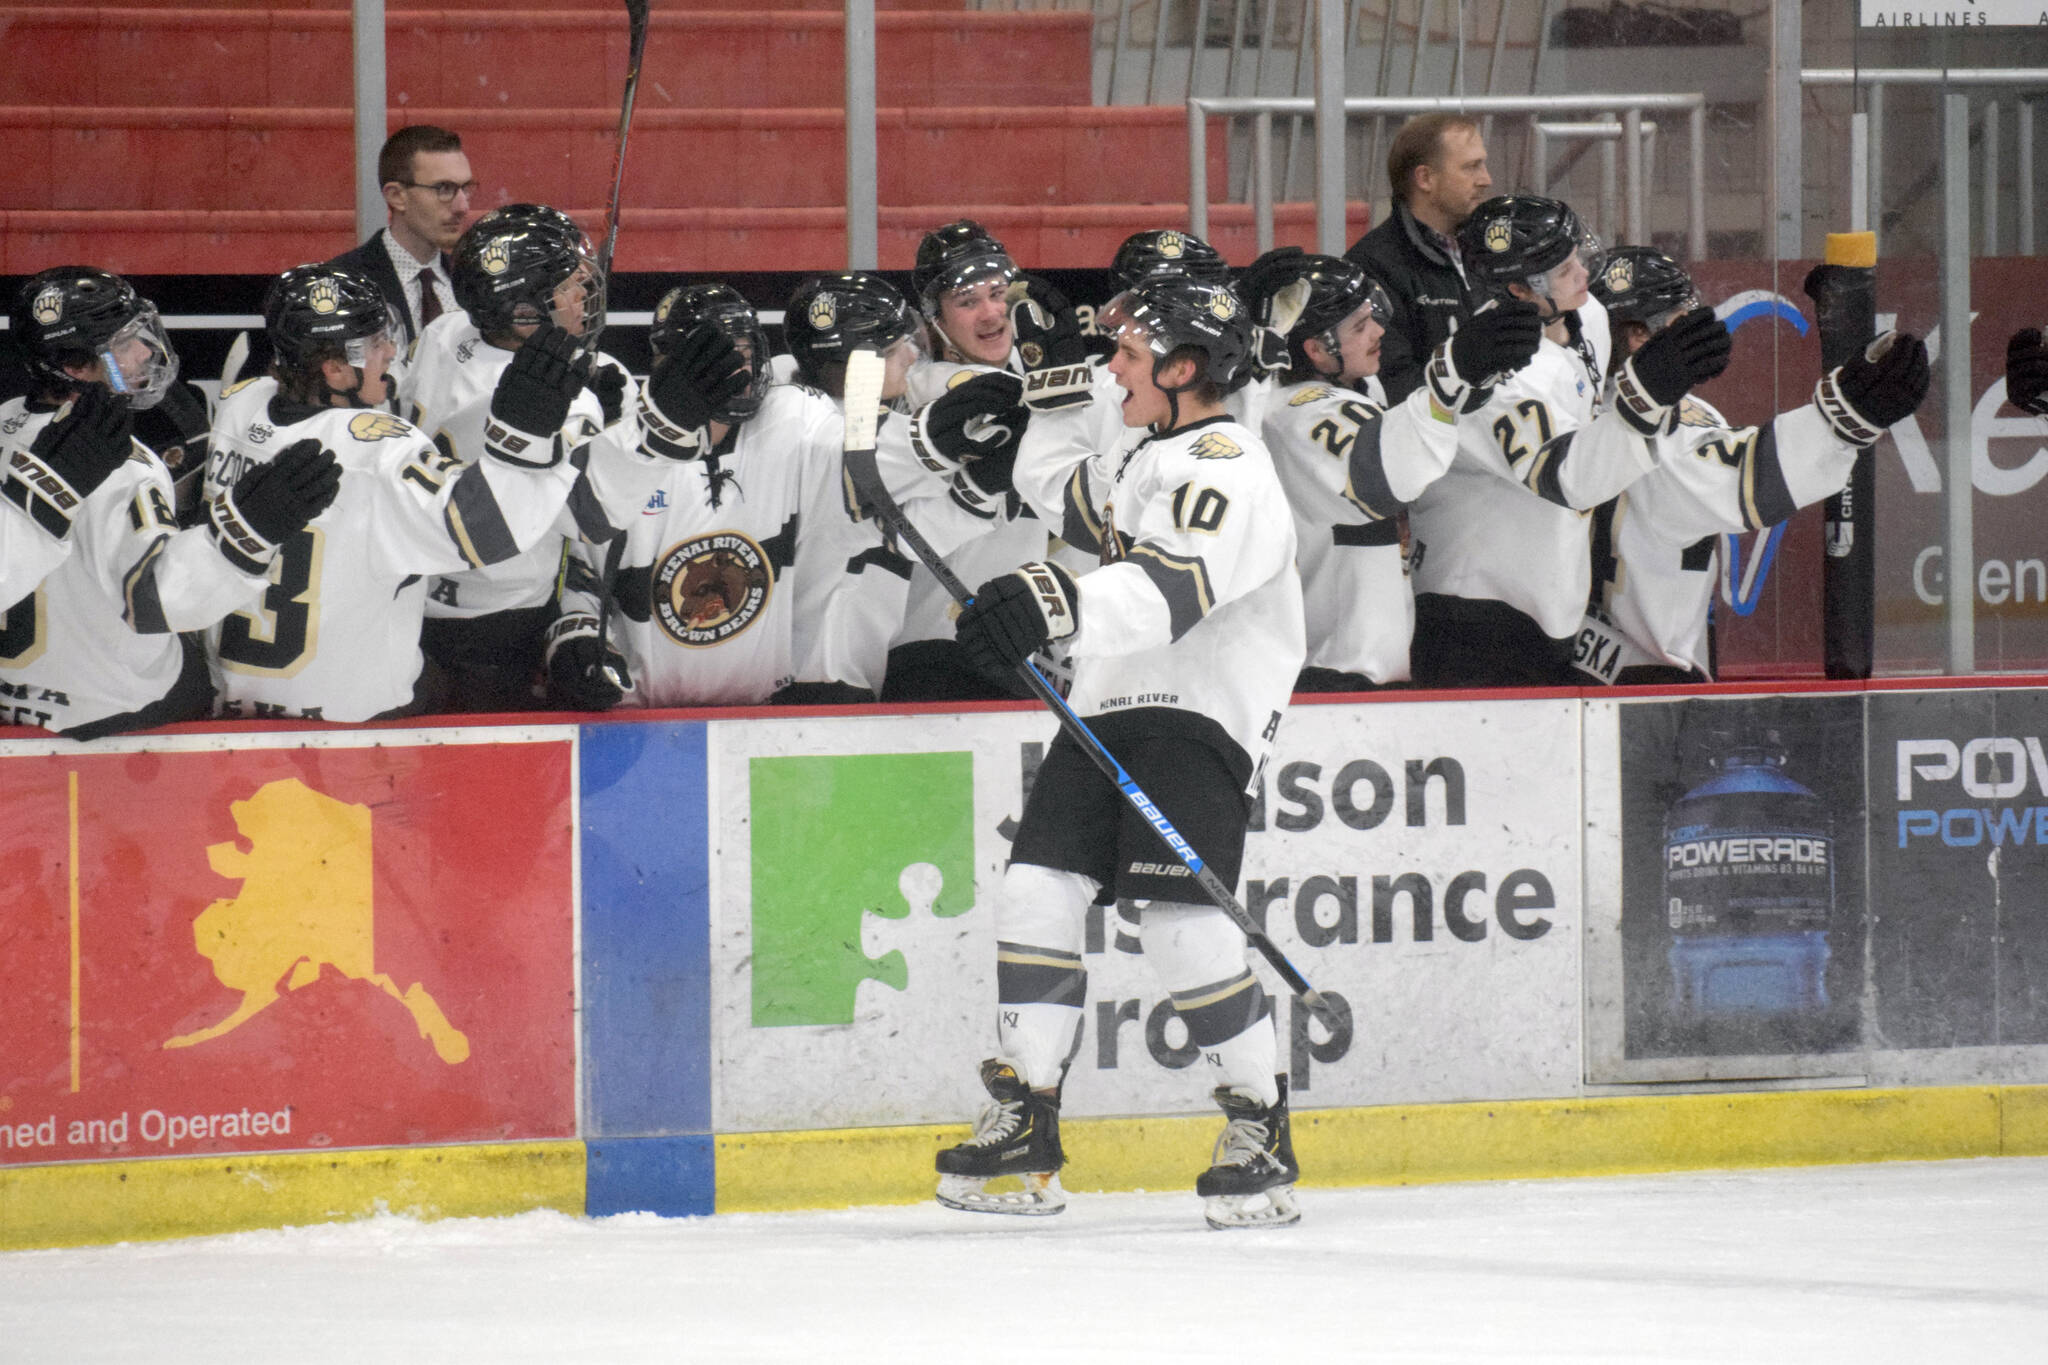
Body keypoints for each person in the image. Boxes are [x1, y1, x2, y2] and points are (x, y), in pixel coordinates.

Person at [933, 274, 1309, 1231]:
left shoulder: (1229, 461)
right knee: (1035, 889)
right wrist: (1056, 398)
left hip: (1196, 713)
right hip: (1103, 708)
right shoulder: (1149, 452)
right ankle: (1028, 1117)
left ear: (1185, 369)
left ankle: (1260, 1122)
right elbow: (1065, 501)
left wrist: (1053, 601)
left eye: (1131, 359)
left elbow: (1170, 588)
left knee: (1180, 925)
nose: (1115, 372)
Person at [202, 263, 656, 722]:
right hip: (351, 714)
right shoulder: (380, 446)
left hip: (231, 698)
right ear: (336, 369)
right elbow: (487, 530)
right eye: (375, 343)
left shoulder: (240, 404)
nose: (391, 349)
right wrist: (526, 436)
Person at [1405, 194, 1730, 687]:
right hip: (1474, 615)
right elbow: (1569, 478)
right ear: (1517, 289)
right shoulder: (1497, 372)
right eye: (1562, 270)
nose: (1582, 273)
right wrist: (1649, 397)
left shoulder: (1589, 316)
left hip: (1549, 604)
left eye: (1576, 254)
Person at [2, 267, 338, 737]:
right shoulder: (128, 466)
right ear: (76, 368)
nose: (143, 352)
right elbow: (158, 602)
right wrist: (246, 531)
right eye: (123, 345)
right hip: (110, 708)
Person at [1573, 247, 1930, 684]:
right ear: (1637, 337)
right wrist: (1842, 420)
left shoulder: (1570, 402)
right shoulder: (1672, 421)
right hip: (1646, 678)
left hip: (1571, 657)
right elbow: (1748, 481)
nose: (1695, 331)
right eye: (1679, 320)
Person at [545, 283, 898, 708]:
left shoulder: (791, 428)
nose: (737, 372)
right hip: (638, 720)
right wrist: (575, 637)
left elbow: (863, 486)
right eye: (716, 359)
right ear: (666, 365)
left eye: (745, 354)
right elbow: (578, 573)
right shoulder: (621, 450)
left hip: (761, 718)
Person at [396, 203, 649, 713]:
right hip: (501, 610)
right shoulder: (564, 398)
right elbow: (589, 522)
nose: (584, 292)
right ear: (524, 310)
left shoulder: (446, 332)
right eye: (569, 283)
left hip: (406, 592)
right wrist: (608, 427)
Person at [1234, 249, 1486, 691]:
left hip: (1350, 661)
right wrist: (1450, 383)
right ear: (1315, 349)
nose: (1378, 332)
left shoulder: (1336, 395)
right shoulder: (1304, 411)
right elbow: (1389, 478)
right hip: (1336, 668)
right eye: (1359, 326)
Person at [1344, 113, 1494, 404]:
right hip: (1436, 439)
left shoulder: (1496, 251)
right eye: (1471, 167)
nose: (1486, 180)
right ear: (1425, 178)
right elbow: (1396, 384)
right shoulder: (1372, 266)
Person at [326, 125, 475, 348]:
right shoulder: (342, 284)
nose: (462, 206)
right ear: (397, 196)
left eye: (466, 188)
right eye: (444, 189)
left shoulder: (474, 282)